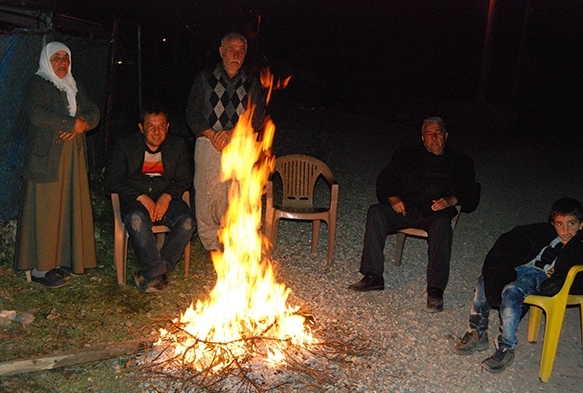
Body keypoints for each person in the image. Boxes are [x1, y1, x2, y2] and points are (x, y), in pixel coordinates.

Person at [348, 117, 480, 312]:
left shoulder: (461, 162)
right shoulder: (407, 155)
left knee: (443, 225)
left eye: (438, 133)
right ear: (422, 138)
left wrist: (452, 200)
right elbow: (385, 178)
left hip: (436, 214)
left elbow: (473, 191)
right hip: (406, 209)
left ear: (446, 136)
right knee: (376, 212)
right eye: (429, 134)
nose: (434, 138)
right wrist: (393, 198)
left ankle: (435, 291)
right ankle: (373, 276)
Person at [451, 197, 583, 373]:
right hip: (523, 267)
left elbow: (571, 272)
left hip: (540, 276)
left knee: (512, 291)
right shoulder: (550, 236)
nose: (565, 230)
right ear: (553, 224)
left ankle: (506, 347)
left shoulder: (578, 245)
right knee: (486, 280)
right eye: (560, 224)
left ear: (581, 225)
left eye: (571, 224)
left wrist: (570, 247)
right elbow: (527, 242)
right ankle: (477, 331)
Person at [14, 41, 100, 288]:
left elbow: (94, 110)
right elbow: (36, 113)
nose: (62, 63)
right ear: (46, 61)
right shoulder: (38, 84)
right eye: (56, 58)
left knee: (66, 208)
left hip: (72, 159)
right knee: (46, 211)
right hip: (46, 160)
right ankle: (41, 269)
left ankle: (60, 260)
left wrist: (83, 121)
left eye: (66, 58)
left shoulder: (73, 85)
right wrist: (70, 124)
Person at [185, 32, 265, 252]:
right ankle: (212, 245)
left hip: (240, 144)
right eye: (232, 49)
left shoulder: (251, 84)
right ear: (221, 52)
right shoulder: (204, 78)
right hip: (209, 143)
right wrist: (213, 134)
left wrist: (232, 133)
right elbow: (192, 113)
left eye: (241, 51)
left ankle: (235, 243)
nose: (236, 54)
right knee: (207, 194)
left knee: (238, 194)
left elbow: (257, 118)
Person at [104, 101, 195, 293]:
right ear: (141, 128)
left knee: (187, 222)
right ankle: (156, 272)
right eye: (151, 126)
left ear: (167, 127)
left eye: (161, 126)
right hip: (136, 201)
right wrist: (140, 196)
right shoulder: (125, 146)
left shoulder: (177, 146)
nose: (156, 132)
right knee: (136, 220)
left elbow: (185, 179)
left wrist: (167, 197)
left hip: (167, 201)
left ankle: (152, 272)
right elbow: (111, 181)